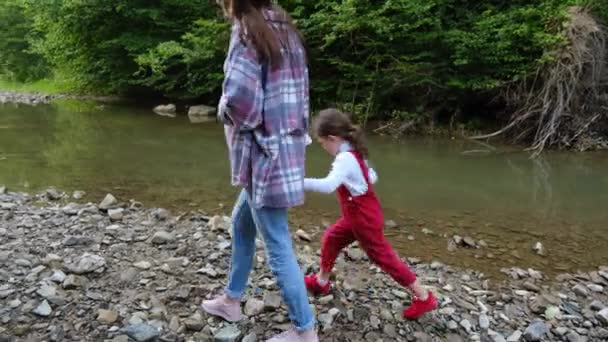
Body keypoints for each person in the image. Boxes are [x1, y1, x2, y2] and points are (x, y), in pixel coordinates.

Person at [201, 1, 318, 341]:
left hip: (262, 155)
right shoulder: (283, 24)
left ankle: (304, 331)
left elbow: (240, 102)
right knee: (242, 222)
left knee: (278, 242)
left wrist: (222, 110)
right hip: (287, 147)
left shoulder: (247, 29)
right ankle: (232, 300)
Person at [303, 108, 438, 320]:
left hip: (363, 219)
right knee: (332, 238)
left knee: (383, 257)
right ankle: (321, 281)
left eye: (322, 143)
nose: (323, 147)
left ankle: (424, 297)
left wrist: (298, 182)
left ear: (332, 138)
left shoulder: (344, 158)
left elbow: (329, 185)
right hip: (360, 215)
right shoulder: (353, 151)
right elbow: (372, 177)